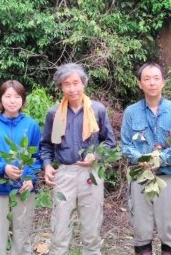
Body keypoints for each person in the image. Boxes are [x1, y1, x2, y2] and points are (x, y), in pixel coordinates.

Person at [40, 63, 116, 255]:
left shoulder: (97, 110)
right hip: (64, 174)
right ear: (61, 87)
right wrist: (48, 165)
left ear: (83, 83)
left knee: (91, 228)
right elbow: (47, 144)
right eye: (67, 84)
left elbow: (110, 142)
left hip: (92, 174)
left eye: (76, 83)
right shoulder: (54, 113)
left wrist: (96, 155)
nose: (72, 88)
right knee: (60, 227)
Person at [121, 62, 171, 255]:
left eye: (156, 78)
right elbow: (125, 146)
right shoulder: (131, 112)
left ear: (163, 83)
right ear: (140, 84)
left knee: (169, 229)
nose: (152, 83)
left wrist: (159, 159)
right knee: (141, 230)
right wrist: (142, 159)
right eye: (147, 79)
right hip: (140, 178)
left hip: (166, 178)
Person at [0, 80, 42, 254]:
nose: (12, 100)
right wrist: (3, 168)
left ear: (23, 100)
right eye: (8, 96)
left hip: (23, 189)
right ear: (0, 99)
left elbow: (36, 156)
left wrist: (30, 178)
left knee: (21, 240)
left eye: (17, 96)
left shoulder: (31, 125)